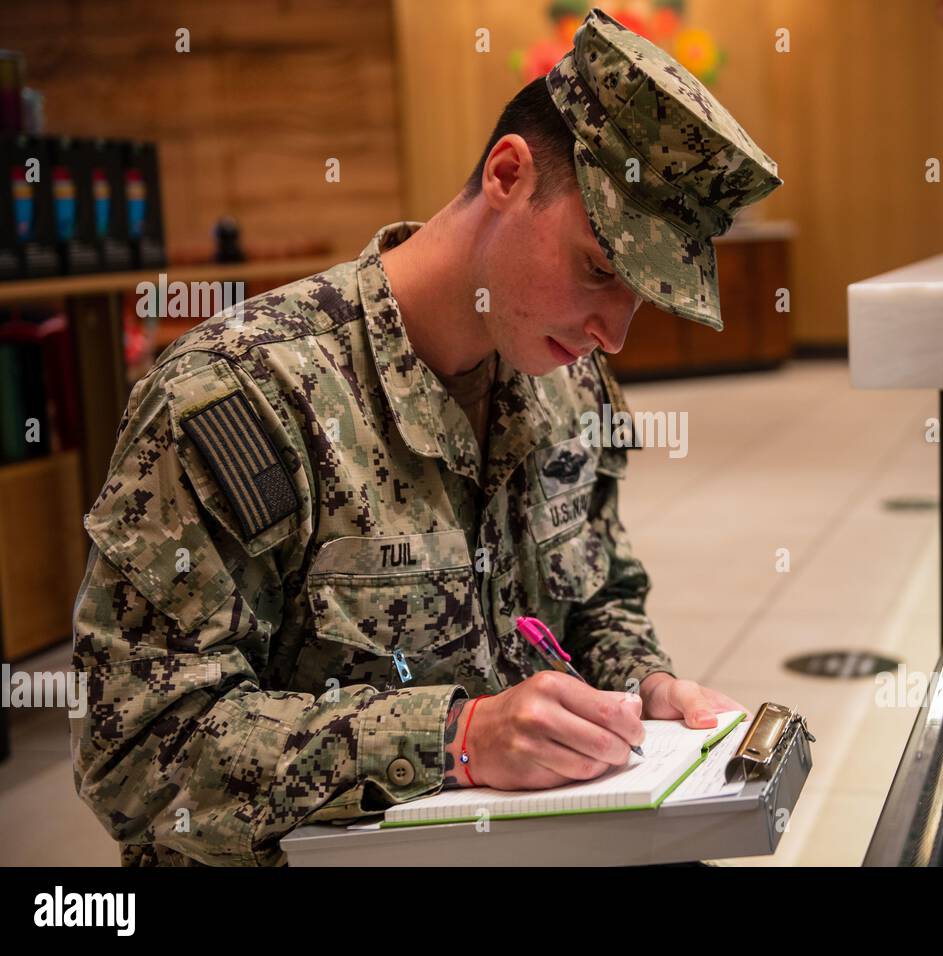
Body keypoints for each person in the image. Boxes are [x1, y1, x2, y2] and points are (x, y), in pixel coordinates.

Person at [71, 8, 781, 866]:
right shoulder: (241, 399)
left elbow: (595, 600)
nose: (614, 334)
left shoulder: (568, 379)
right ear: (508, 175)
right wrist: (454, 737)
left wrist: (642, 684)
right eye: (601, 269)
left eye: (644, 297)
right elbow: (136, 755)